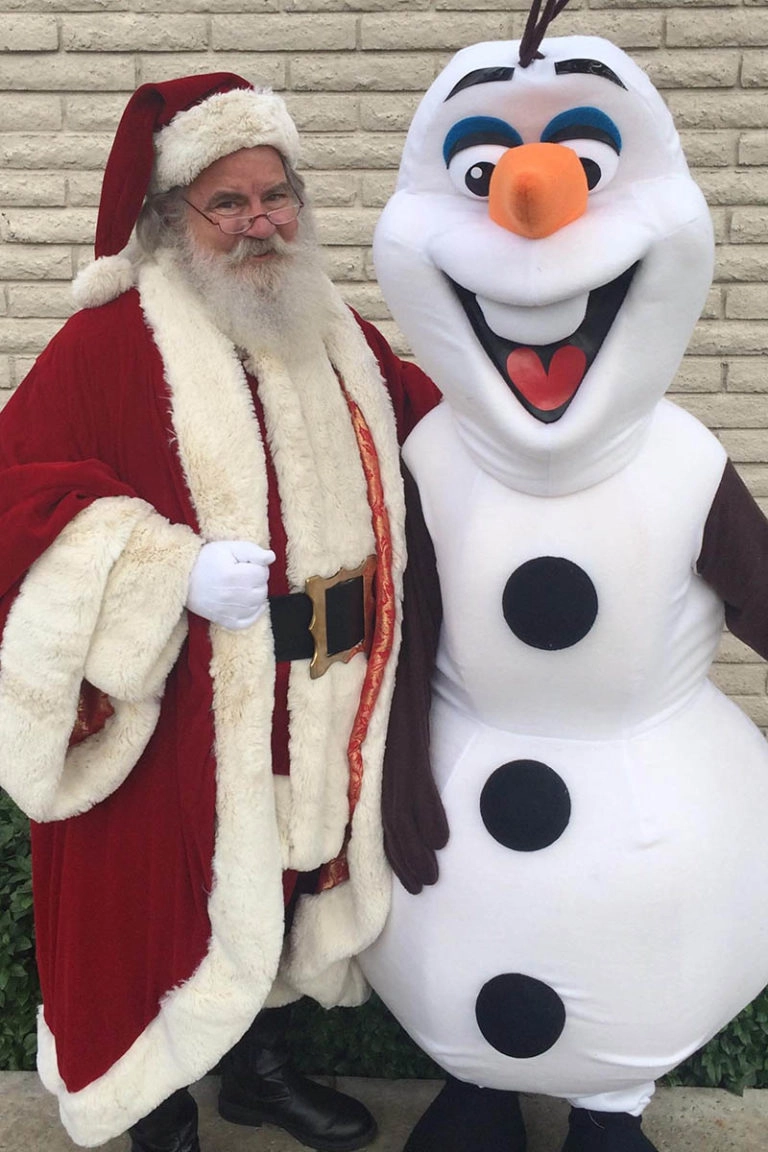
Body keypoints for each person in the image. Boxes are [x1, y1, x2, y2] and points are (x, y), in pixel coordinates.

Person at [0, 73, 439, 1152]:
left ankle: (257, 1069)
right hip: (182, 707)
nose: (259, 222)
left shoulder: (335, 331)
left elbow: (432, 434)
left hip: (321, 688)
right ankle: (155, 1111)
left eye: (275, 195)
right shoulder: (108, 344)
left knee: (286, 874)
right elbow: (17, 495)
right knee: (153, 907)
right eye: (227, 202)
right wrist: (169, 571)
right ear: (172, 219)